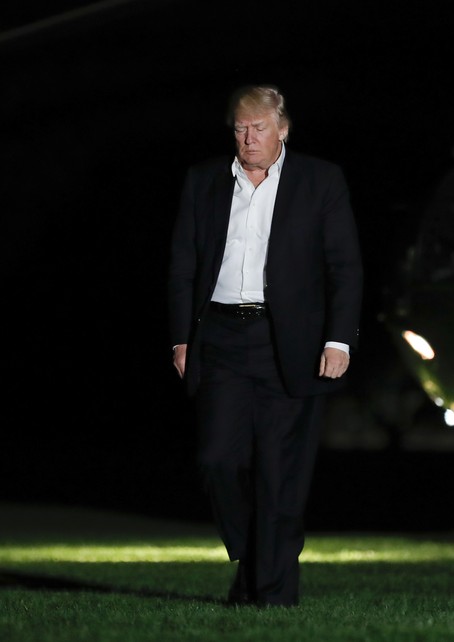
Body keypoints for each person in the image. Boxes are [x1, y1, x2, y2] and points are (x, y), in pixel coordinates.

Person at [167, 84, 363, 606]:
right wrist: (181, 337)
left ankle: (272, 596)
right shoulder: (203, 181)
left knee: (280, 476)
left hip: (289, 342)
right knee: (217, 460)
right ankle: (256, 561)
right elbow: (183, 265)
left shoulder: (320, 180)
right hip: (222, 338)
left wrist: (339, 338)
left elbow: (344, 267)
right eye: (239, 128)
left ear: (282, 130)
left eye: (258, 129)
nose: (248, 139)